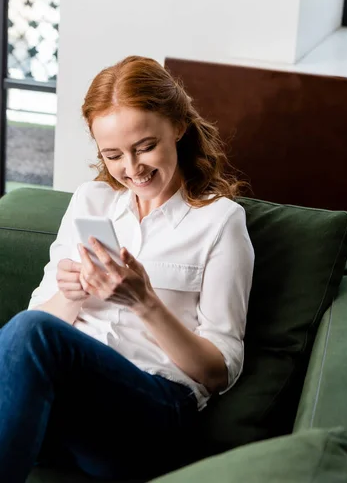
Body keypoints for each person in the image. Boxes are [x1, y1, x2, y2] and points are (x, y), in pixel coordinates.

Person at [0, 56, 255, 482]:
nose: (132, 169)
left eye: (145, 147)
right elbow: (39, 316)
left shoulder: (219, 221)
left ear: (178, 126)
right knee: (31, 332)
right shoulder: (91, 201)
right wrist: (71, 292)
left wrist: (144, 302)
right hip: (67, 402)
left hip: (153, 409)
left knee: (31, 333)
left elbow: (219, 370)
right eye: (113, 155)